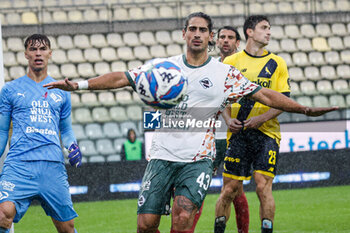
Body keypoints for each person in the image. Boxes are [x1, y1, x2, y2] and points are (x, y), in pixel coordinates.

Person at [43, 12, 336, 233]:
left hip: (198, 159)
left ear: (211, 37)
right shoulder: (162, 68)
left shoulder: (224, 74)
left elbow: (265, 94)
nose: (197, 34)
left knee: (183, 220)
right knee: (145, 225)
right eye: (192, 29)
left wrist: (304, 109)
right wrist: (79, 85)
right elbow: (122, 77)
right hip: (160, 157)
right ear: (184, 34)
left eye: (203, 30)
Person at [214, 15, 292, 233]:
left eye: (269, 28)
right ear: (250, 31)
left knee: (262, 186)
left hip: (267, 133)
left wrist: (260, 119)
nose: (269, 32)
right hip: (238, 135)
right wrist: (228, 120)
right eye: (264, 28)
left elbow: (283, 101)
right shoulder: (230, 62)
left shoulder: (277, 63)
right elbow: (221, 98)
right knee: (229, 189)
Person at [0, 34, 82, 233]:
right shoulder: (10, 90)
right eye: (33, 49)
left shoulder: (62, 91)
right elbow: (2, 130)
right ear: (26, 54)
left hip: (52, 166)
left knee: (67, 228)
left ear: (50, 54)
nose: (38, 53)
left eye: (43, 49)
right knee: (2, 215)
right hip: (19, 164)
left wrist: (72, 146)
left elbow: (66, 130)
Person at [213, 25, 250, 233]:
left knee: (234, 189)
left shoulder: (245, 68)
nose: (225, 41)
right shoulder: (209, 66)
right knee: (195, 190)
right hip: (209, 136)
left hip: (234, 136)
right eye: (222, 37)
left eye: (230, 38)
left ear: (238, 42)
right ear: (217, 41)